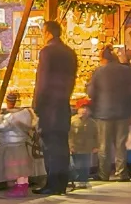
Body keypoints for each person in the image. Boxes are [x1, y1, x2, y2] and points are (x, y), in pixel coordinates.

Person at [32, 21, 78, 195]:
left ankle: (52, 184)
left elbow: (42, 81)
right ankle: (61, 183)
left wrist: (36, 105)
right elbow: (72, 80)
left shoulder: (47, 52)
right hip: (62, 106)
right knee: (61, 146)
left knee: (50, 147)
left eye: (43, 32)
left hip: (49, 107)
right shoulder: (70, 53)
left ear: (48, 33)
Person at [88, 44, 131, 182]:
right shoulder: (126, 71)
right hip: (123, 113)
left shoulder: (98, 72)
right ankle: (121, 174)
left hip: (103, 114)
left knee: (104, 145)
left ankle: (103, 174)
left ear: (103, 58)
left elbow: (91, 93)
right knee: (120, 145)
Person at [0, 91, 37, 198]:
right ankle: (23, 187)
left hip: (11, 144)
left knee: (15, 168)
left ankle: (19, 189)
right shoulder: (25, 113)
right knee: (22, 167)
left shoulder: (11, 116)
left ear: (8, 102)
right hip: (21, 143)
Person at [69, 99, 98, 189]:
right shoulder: (72, 121)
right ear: (78, 109)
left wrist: (96, 146)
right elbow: (69, 135)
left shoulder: (92, 123)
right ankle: (78, 180)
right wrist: (70, 146)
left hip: (87, 148)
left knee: (86, 165)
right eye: (82, 108)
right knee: (77, 165)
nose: (84, 111)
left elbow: (96, 135)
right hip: (76, 147)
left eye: (86, 109)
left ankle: (84, 180)